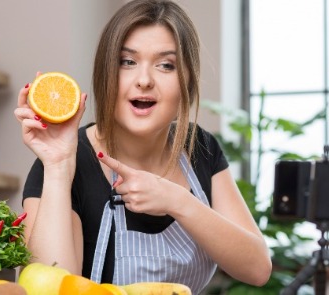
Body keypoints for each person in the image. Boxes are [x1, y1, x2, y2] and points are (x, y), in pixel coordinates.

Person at [14, 0, 272, 293]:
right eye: (128, 62)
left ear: (187, 82)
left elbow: (257, 268)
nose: (144, 80)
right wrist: (58, 165)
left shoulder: (199, 147)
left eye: (166, 65)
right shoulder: (64, 163)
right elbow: (48, 287)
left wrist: (178, 201)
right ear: (105, 72)